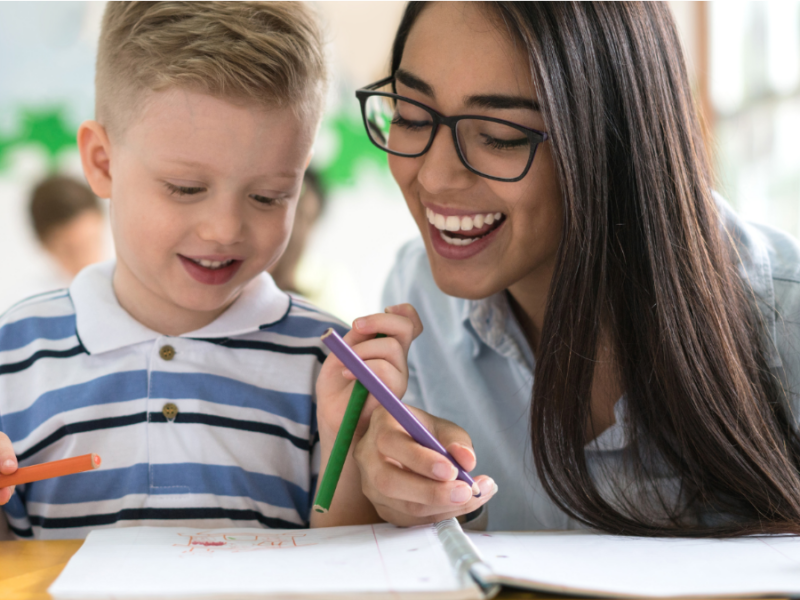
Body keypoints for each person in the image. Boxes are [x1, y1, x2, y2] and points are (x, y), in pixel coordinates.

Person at [317, 0, 800, 536]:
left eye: (500, 134)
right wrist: (419, 503)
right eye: (410, 115)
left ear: (615, 138)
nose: (433, 177)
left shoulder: (786, 318)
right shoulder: (417, 299)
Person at [0, 0, 350, 539]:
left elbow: (351, 562)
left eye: (268, 196)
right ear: (101, 163)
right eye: (186, 189)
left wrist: (354, 442)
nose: (224, 229)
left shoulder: (329, 362)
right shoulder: (14, 354)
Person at [29, 175, 108, 281]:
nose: (86, 261)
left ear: (101, 220)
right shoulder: (31, 294)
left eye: (91, 243)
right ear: (44, 246)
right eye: (71, 251)